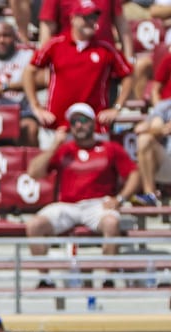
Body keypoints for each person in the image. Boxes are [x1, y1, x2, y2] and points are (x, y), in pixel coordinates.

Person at [25, 103, 140, 288]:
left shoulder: (110, 148)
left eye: (83, 120)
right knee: (34, 225)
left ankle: (108, 278)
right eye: (74, 121)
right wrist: (54, 145)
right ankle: (44, 279)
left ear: (93, 123)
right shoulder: (64, 150)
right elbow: (33, 172)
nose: (79, 125)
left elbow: (135, 174)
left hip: (98, 204)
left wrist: (120, 199)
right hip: (68, 205)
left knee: (112, 223)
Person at [22, 0, 134, 130]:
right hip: (58, 124)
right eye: (85, 17)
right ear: (73, 18)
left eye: (93, 18)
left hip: (95, 126)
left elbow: (128, 73)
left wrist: (117, 107)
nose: (90, 22)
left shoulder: (106, 50)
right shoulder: (55, 46)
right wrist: (36, 106)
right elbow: (30, 70)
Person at [130, 51, 171, 206]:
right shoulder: (165, 106)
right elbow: (146, 128)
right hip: (166, 161)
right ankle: (150, 195)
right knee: (145, 139)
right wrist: (160, 129)